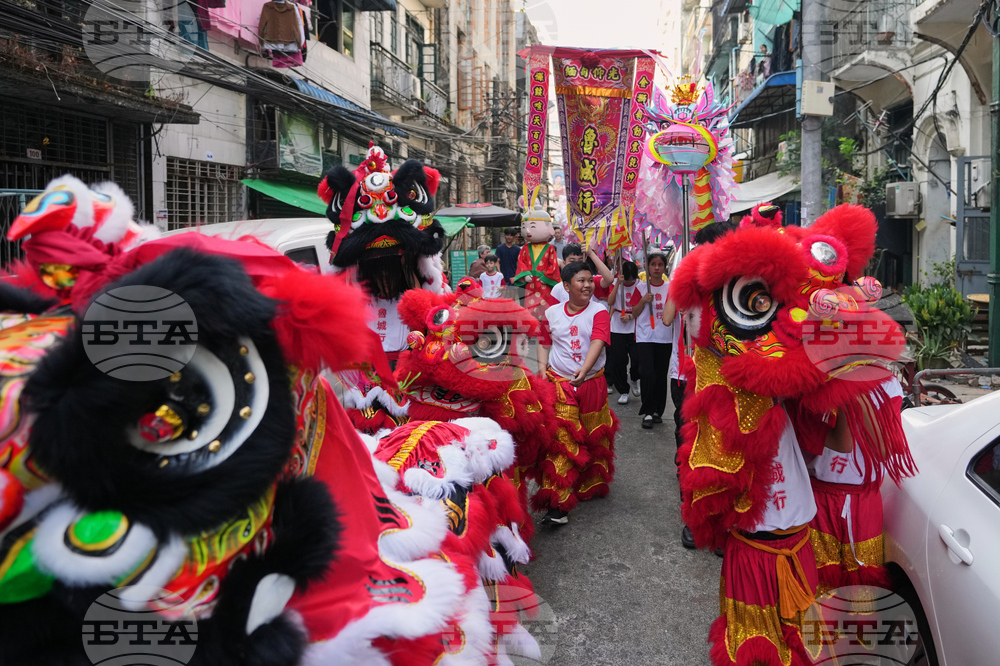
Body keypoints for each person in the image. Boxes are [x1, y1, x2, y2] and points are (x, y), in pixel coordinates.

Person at [535, 261, 618, 526]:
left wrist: (584, 368)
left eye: (589, 281)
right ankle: (557, 505)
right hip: (560, 384)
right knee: (563, 439)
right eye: (581, 281)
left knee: (594, 434)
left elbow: (598, 340)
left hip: (592, 382)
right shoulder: (551, 313)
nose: (587, 286)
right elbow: (544, 343)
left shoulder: (599, 311)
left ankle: (591, 480)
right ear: (566, 286)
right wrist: (540, 370)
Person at [629, 250, 672, 429]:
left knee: (661, 375)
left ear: (664, 267)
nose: (656, 268)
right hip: (645, 336)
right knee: (647, 373)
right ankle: (647, 410)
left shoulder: (670, 288)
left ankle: (657, 411)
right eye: (653, 264)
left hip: (664, 337)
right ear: (647, 266)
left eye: (660, 265)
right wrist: (643, 301)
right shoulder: (640, 287)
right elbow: (634, 312)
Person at [606, 260, 641, 406]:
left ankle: (634, 378)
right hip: (617, 326)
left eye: (631, 279)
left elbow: (641, 305)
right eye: (627, 279)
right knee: (619, 360)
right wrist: (618, 284)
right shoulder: (616, 282)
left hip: (634, 324)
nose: (629, 282)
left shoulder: (640, 285)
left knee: (637, 358)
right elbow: (610, 302)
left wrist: (631, 316)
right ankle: (623, 391)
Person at [495, 227, 521, 298]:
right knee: (503, 296)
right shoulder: (500, 248)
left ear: (514, 237)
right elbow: (497, 262)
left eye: (511, 235)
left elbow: (518, 262)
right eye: (507, 235)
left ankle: (512, 309)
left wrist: (517, 274)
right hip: (503, 276)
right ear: (505, 236)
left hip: (513, 275)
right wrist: (499, 272)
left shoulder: (517, 249)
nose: (509, 237)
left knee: (512, 297)